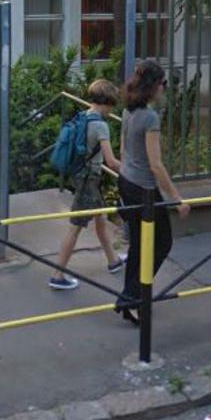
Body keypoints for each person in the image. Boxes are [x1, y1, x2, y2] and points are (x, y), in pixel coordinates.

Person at [114, 59, 189, 325]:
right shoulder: (150, 117)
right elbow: (156, 165)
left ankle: (131, 299)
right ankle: (132, 297)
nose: (164, 88)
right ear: (155, 85)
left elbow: (123, 150)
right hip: (144, 189)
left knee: (139, 243)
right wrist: (177, 199)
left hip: (126, 181)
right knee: (162, 243)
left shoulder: (129, 111)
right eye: (163, 83)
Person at [49, 79, 126, 289]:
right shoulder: (100, 125)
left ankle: (113, 261)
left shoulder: (83, 116)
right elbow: (111, 161)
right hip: (89, 180)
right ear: (106, 102)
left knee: (100, 219)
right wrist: (133, 171)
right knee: (75, 227)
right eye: (112, 106)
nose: (112, 111)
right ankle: (57, 275)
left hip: (80, 175)